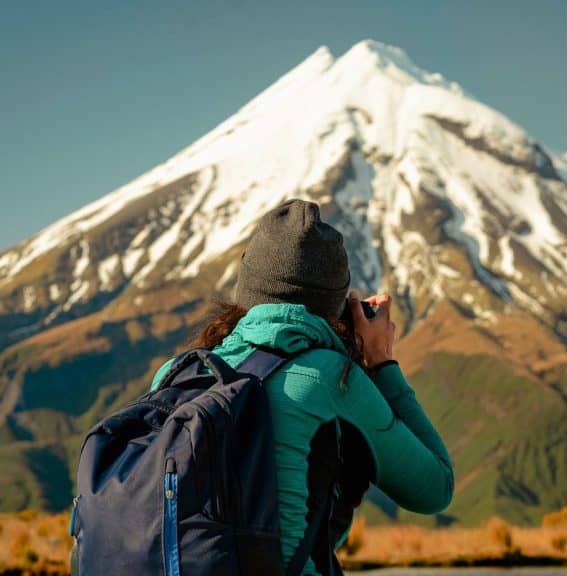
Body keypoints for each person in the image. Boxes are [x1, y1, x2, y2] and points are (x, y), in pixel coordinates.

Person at [149, 199, 454, 573]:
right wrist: (381, 360)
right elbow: (435, 488)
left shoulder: (176, 374)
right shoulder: (327, 376)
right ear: (338, 307)